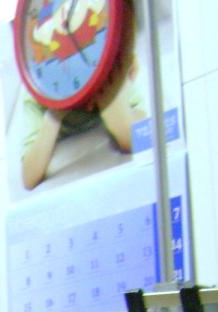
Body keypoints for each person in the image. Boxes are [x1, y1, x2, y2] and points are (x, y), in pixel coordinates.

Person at [19, 25, 146, 190]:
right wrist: (55, 114)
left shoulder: (114, 70)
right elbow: (29, 177)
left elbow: (139, 139)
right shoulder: (37, 92)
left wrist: (110, 100)